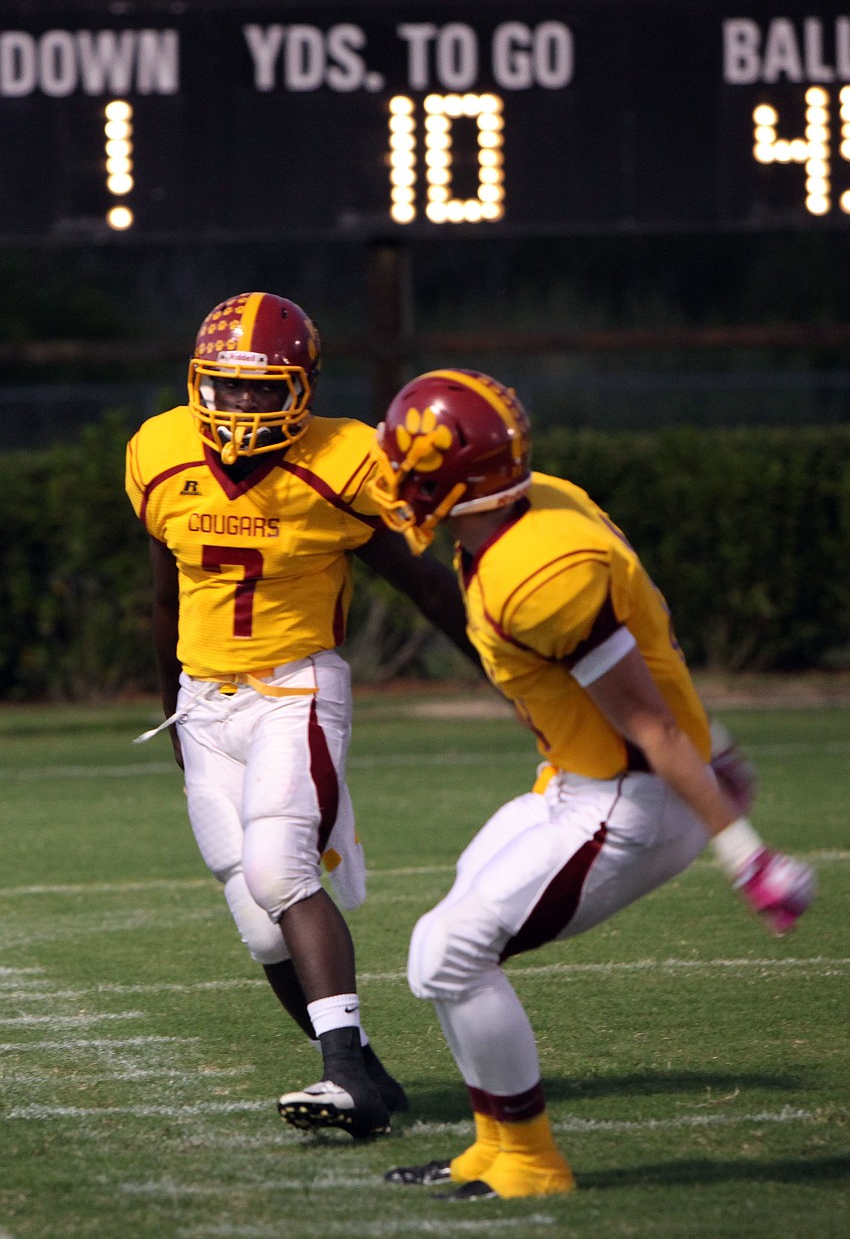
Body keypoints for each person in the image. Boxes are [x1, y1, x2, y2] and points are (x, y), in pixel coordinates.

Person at [366, 367, 816, 1200]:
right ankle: (493, 1150)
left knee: (450, 953)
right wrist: (717, 743)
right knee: (447, 939)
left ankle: (532, 1163)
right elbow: (653, 650)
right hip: (580, 781)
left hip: (633, 800)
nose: (396, 482)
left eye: (413, 469)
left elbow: (649, 723)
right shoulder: (532, 509)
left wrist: (748, 858)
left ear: (464, 482)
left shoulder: (541, 575)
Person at [125, 296, 481, 1140]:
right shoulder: (158, 449)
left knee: (281, 872)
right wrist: (166, 705)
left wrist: (515, 671)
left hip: (296, 688)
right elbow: (164, 591)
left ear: (304, 389)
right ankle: (369, 1075)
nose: (242, 408)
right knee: (255, 916)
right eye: (226, 387)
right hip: (204, 702)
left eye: (263, 389)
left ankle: (343, 1075)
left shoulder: (346, 460)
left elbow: (425, 585)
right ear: (197, 382)